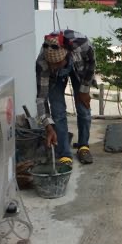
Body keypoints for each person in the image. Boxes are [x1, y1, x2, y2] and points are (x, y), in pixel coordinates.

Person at [36, 30, 95, 168]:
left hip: (78, 69)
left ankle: (83, 146)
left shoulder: (82, 45)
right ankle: (64, 154)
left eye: (57, 64)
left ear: (66, 55)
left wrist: (85, 89)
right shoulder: (43, 64)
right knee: (58, 112)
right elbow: (41, 98)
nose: (54, 67)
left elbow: (91, 63)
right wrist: (48, 126)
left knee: (83, 108)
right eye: (51, 64)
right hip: (54, 79)